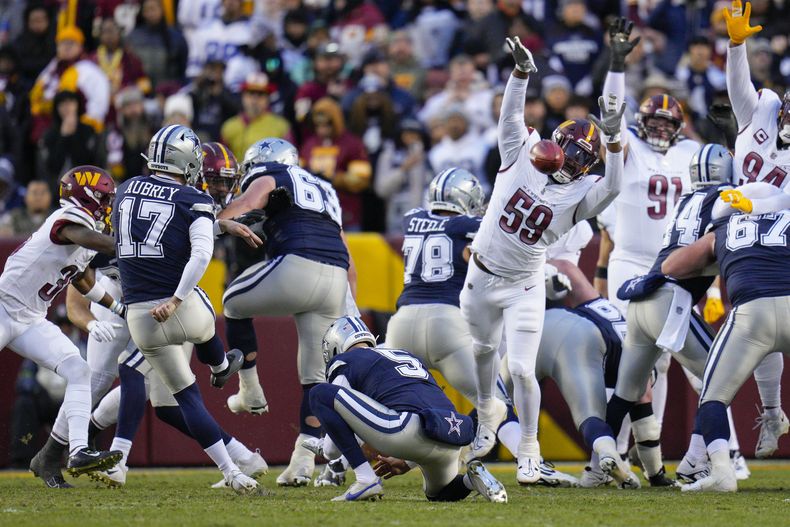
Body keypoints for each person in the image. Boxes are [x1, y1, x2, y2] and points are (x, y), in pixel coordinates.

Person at [461, 35, 625, 485]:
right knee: (482, 353)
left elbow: (613, 186)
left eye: (581, 157)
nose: (570, 160)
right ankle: (487, 416)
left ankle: (529, 450)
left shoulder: (582, 195)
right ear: (555, 141)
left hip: (525, 284)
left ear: (589, 165)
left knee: (519, 368)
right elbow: (510, 116)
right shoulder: (521, 151)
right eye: (568, 148)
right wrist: (520, 74)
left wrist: (613, 140)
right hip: (481, 275)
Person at [113, 124, 262, 494]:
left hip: (139, 316)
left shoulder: (125, 190)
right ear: (187, 161)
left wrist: (220, 225)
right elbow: (199, 253)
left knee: (185, 397)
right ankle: (221, 365)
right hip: (176, 307)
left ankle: (232, 471)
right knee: (206, 309)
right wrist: (176, 299)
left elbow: (157, 229)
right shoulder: (192, 198)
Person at [217, 138, 357, 487]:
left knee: (233, 301)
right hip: (336, 277)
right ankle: (303, 461)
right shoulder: (323, 189)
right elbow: (348, 256)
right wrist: (347, 305)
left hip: (298, 264)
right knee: (315, 376)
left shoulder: (271, 174)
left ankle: (250, 389)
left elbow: (248, 202)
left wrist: (212, 222)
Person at [595, 18, 701, 458]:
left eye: (666, 122)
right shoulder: (630, 147)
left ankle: (646, 448)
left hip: (673, 264)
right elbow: (610, 114)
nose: (658, 128)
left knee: (663, 359)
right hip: (629, 259)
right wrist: (617, 66)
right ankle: (615, 448)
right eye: (652, 121)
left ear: (679, 126)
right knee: (624, 353)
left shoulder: (691, 153)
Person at [4, 165, 123, 488]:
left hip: (30, 318)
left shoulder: (84, 234)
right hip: (3, 307)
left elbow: (82, 280)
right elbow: (82, 236)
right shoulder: (69, 220)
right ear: (86, 197)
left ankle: (79, 450)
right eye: (104, 199)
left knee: (79, 370)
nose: (108, 206)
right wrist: (127, 245)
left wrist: (117, 308)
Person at [660, 205, 790, 492]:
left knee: (712, 398)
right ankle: (772, 414)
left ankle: (722, 471)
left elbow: (670, 267)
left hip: (751, 314)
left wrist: (721, 259)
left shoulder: (726, 225)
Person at [309, 315, 508, 503]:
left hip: (407, 428)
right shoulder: (404, 355)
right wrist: (407, 461)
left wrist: (322, 446)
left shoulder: (346, 361)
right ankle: (470, 480)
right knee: (439, 492)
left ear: (335, 347)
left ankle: (365, 479)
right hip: (450, 432)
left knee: (319, 393)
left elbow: (332, 449)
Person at [29, 26, 110, 143]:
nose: (66, 47)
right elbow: (36, 96)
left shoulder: (89, 70)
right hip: (48, 130)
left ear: (80, 46)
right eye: (62, 43)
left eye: (71, 43)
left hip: (78, 132)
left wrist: (85, 127)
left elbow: (99, 102)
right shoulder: (50, 69)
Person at [220, 73, 290, 160]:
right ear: (243, 96)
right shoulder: (229, 126)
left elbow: (290, 158)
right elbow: (222, 159)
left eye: (260, 94)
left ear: (268, 98)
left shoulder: (281, 127)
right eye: (250, 93)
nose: (254, 99)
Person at [126, 0, 189, 87]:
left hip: (170, 89)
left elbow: (183, 68)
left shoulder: (176, 37)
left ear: (162, 10)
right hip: (141, 89)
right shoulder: (133, 37)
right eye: (147, 10)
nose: (150, 14)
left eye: (153, 9)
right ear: (142, 13)